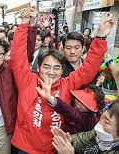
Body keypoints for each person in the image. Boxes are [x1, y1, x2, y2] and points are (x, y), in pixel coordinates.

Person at [10, 7, 114, 154]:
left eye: (56, 68)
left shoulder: (67, 84)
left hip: (55, 147)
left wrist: (101, 38)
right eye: (46, 67)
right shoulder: (27, 80)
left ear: (62, 69)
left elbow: (87, 70)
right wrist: (24, 24)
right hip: (26, 147)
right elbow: (17, 56)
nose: (51, 72)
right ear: (38, 67)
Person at [37, 78, 105, 134]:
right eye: (78, 100)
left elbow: (71, 113)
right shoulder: (72, 101)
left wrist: (51, 99)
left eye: (84, 104)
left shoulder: (91, 120)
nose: (79, 104)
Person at [52, 99, 119, 154]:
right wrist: (70, 141)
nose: (100, 122)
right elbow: (82, 139)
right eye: (102, 116)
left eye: (107, 122)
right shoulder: (98, 133)